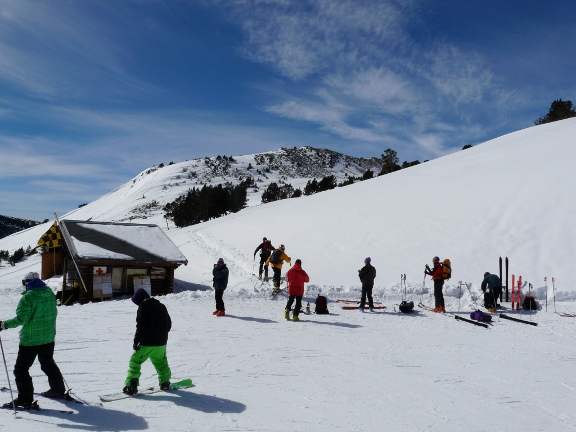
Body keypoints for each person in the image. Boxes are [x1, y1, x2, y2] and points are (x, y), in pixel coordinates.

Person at [1, 272, 66, 409]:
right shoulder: (49, 293)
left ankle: (25, 399)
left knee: (21, 369)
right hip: (48, 337)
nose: (24, 285)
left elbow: (21, 319)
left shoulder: (28, 297)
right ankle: (58, 390)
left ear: (29, 282)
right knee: (48, 363)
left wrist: (4, 325)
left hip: (30, 340)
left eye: (25, 282)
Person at [123, 288, 172, 395]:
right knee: (161, 362)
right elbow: (168, 324)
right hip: (161, 342)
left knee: (135, 362)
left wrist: (136, 341)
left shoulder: (143, 308)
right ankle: (165, 382)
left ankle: (132, 386)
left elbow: (140, 327)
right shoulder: (161, 306)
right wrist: (161, 335)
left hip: (147, 343)